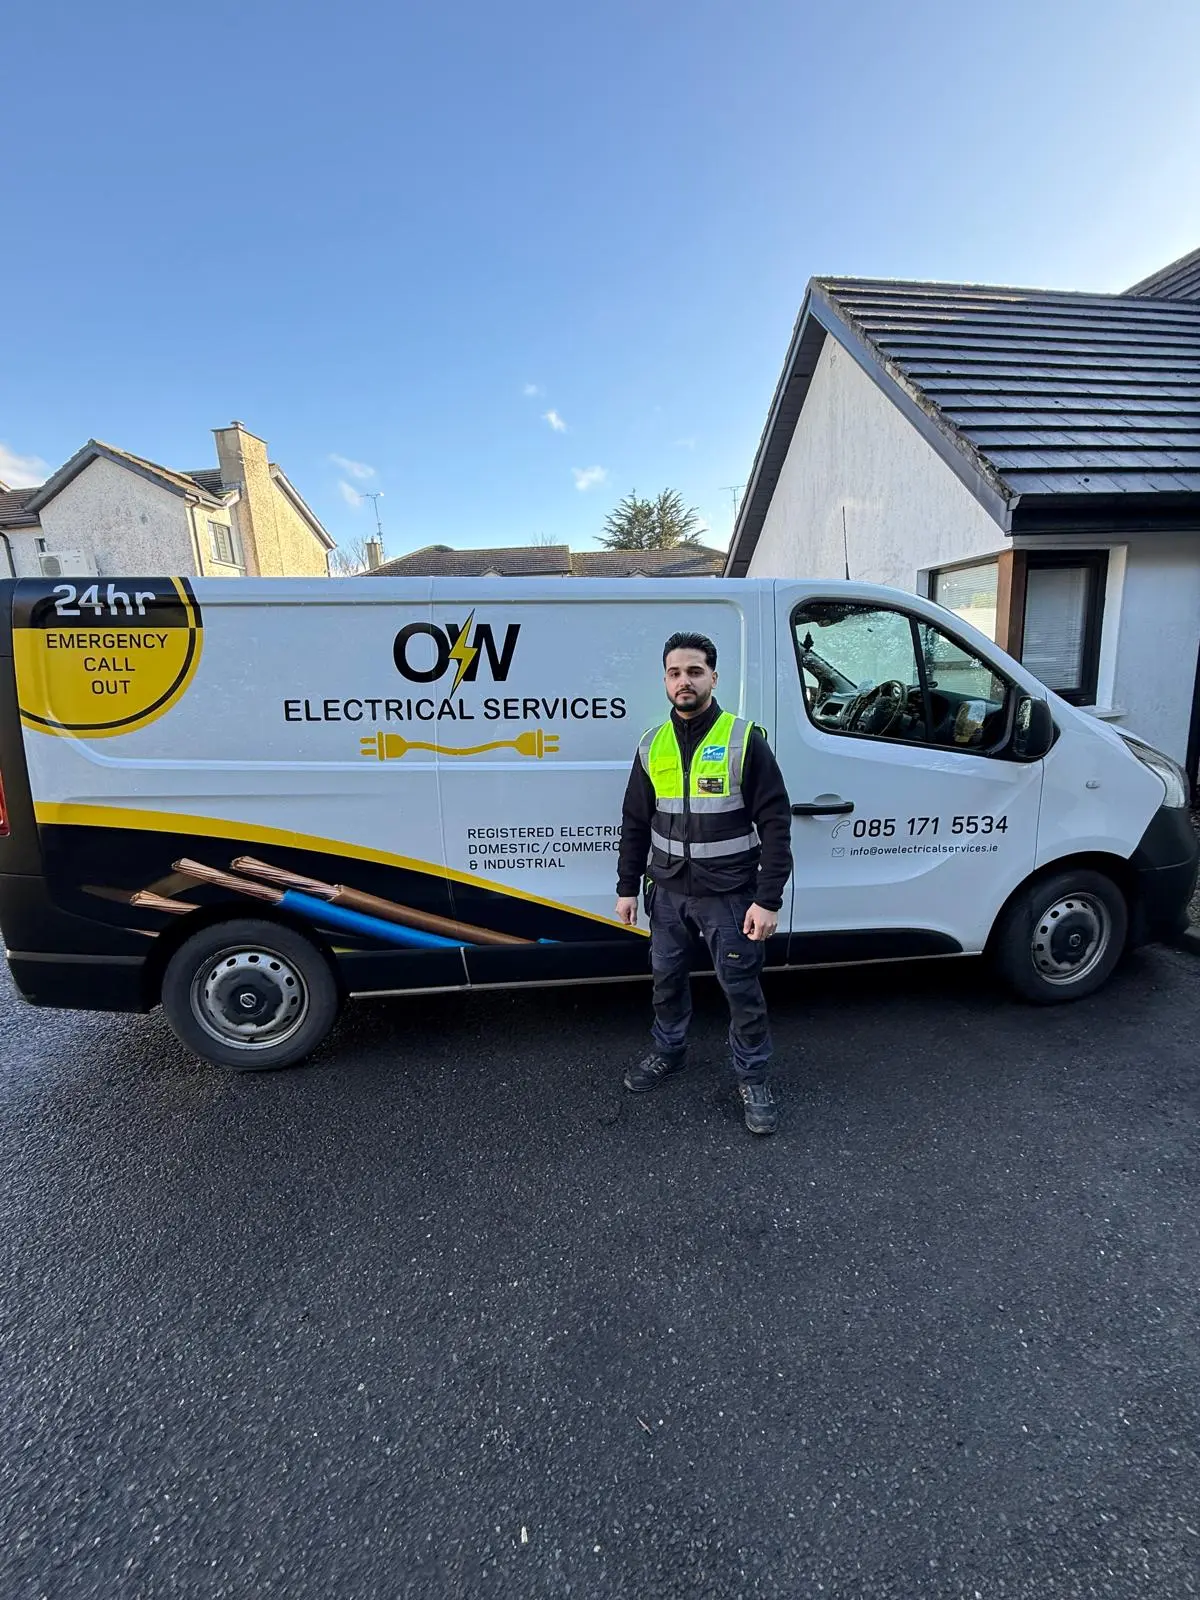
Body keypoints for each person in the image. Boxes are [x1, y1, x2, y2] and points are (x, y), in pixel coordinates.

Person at [615, 631, 793, 1135]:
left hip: (731, 897)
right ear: (664, 680)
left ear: (713, 677)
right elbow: (635, 822)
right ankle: (668, 1050)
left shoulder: (743, 739)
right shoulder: (651, 744)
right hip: (668, 893)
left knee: (741, 989)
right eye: (675, 673)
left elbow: (775, 823)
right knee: (666, 981)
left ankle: (753, 1077)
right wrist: (627, 888)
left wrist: (767, 899)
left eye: (694, 671)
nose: (684, 681)